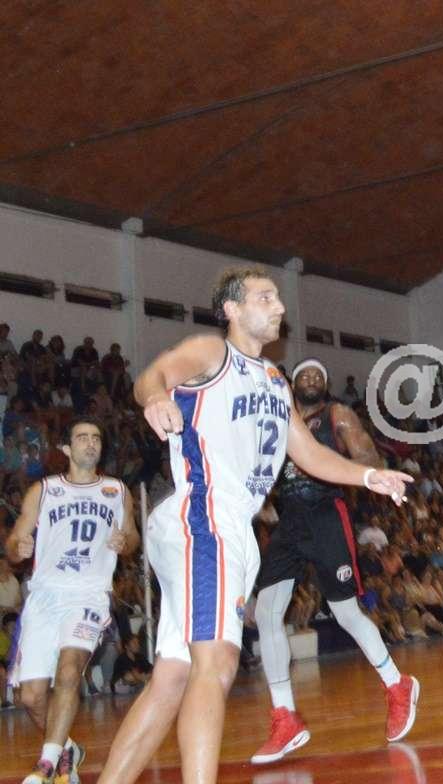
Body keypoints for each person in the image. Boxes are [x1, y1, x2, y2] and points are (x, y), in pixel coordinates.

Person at [95, 266, 411, 784]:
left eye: (279, 297)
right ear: (232, 309)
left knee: (173, 677)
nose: (280, 306)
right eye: (266, 297)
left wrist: (368, 475)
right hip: (204, 515)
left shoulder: (274, 381)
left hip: (231, 529)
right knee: (217, 664)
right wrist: (155, 398)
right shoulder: (211, 352)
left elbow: (308, 453)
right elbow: (152, 377)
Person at [251, 359, 418, 765]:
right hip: (290, 520)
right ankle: (285, 716)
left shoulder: (336, 414)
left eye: (318, 375)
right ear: (292, 384)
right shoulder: (278, 420)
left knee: (346, 613)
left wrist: (378, 475)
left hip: (327, 514)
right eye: (304, 374)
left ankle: (397, 685)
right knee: (266, 613)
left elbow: (364, 449)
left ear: (324, 386)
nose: (311, 377)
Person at [5, 417, 138, 784]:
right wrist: (19, 548)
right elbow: (13, 543)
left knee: (68, 672)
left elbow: (132, 537)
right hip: (45, 597)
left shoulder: (116, 490)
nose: (90, 443)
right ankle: (67, 750)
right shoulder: (44, 490)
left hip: (89, 596)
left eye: (96, 437)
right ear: (66, 448)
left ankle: (46, 766)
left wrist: (125, 542)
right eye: (82, 437)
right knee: (31, 697)